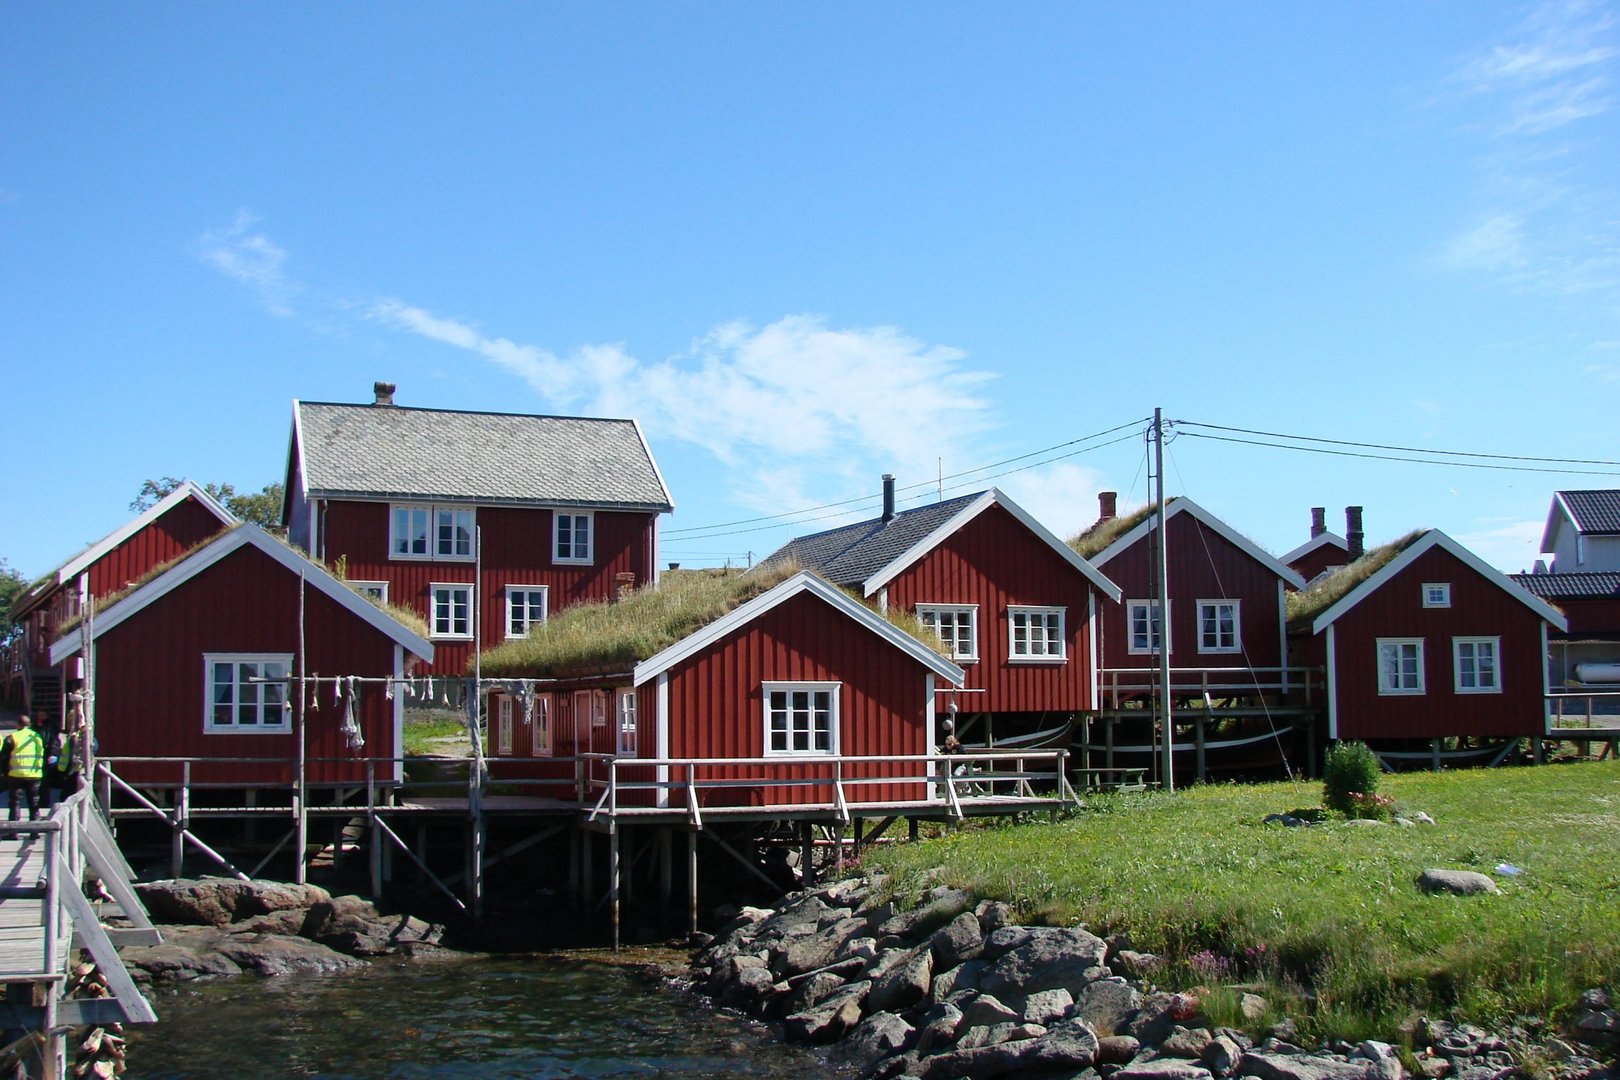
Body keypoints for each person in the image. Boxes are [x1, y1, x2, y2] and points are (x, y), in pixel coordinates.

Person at [5, 714, 45, 822]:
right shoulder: (37, 737)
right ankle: (35, 829)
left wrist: (5, 772)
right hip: (34, 775)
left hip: (16, 774)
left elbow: (4, 757)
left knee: (15, 801)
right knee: (34, 802)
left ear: (18, 724)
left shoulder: (12, 737)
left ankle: (13, 831)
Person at [46, 711, 85, 806]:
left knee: (66, 797)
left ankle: (69, 819)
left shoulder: (74, 737)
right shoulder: (78, 735)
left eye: (69, 720)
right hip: (73, 770)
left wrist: (67, 772)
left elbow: (72, 756)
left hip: (72, 772)